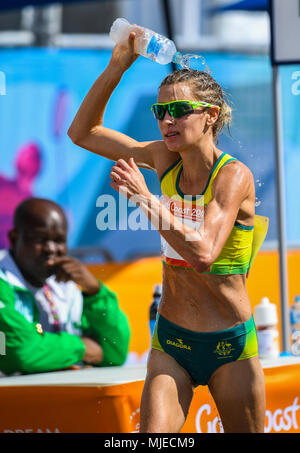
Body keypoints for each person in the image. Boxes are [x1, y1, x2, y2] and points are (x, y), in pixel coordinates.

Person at [68, 32, 266, 433]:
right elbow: (83, 133)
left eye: (179, 109)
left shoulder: (232, 176)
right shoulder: (163, 158)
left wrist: (146, 199)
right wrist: (118, 65)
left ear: (210, 115)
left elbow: (204, 254)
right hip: (172, 340)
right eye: (160, 111)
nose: (166, 121)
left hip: (230, 344)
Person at [0, 197, 130, 375]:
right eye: (40, 239)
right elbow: (17, 352)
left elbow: (113, 354)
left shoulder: (65, 286)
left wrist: (94, 292)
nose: (51, 249)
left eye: (59, 240)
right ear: (14, 239)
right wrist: (82, 347)